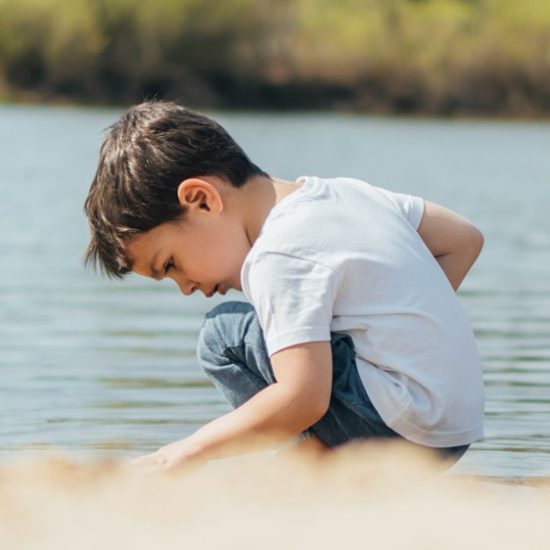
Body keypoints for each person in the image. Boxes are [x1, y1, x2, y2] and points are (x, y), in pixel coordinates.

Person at [84, 101, 485, 471]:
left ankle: (308, 466)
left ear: (202, 200)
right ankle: (323, 456)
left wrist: (187, 450)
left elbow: (304, 397)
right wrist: (409, 334)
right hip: (454, 429)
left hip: (395, 429)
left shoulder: (277, 254)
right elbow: (464, 239)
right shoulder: (349, 194)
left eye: (170, 264)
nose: (185, 288)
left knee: (222, 335)